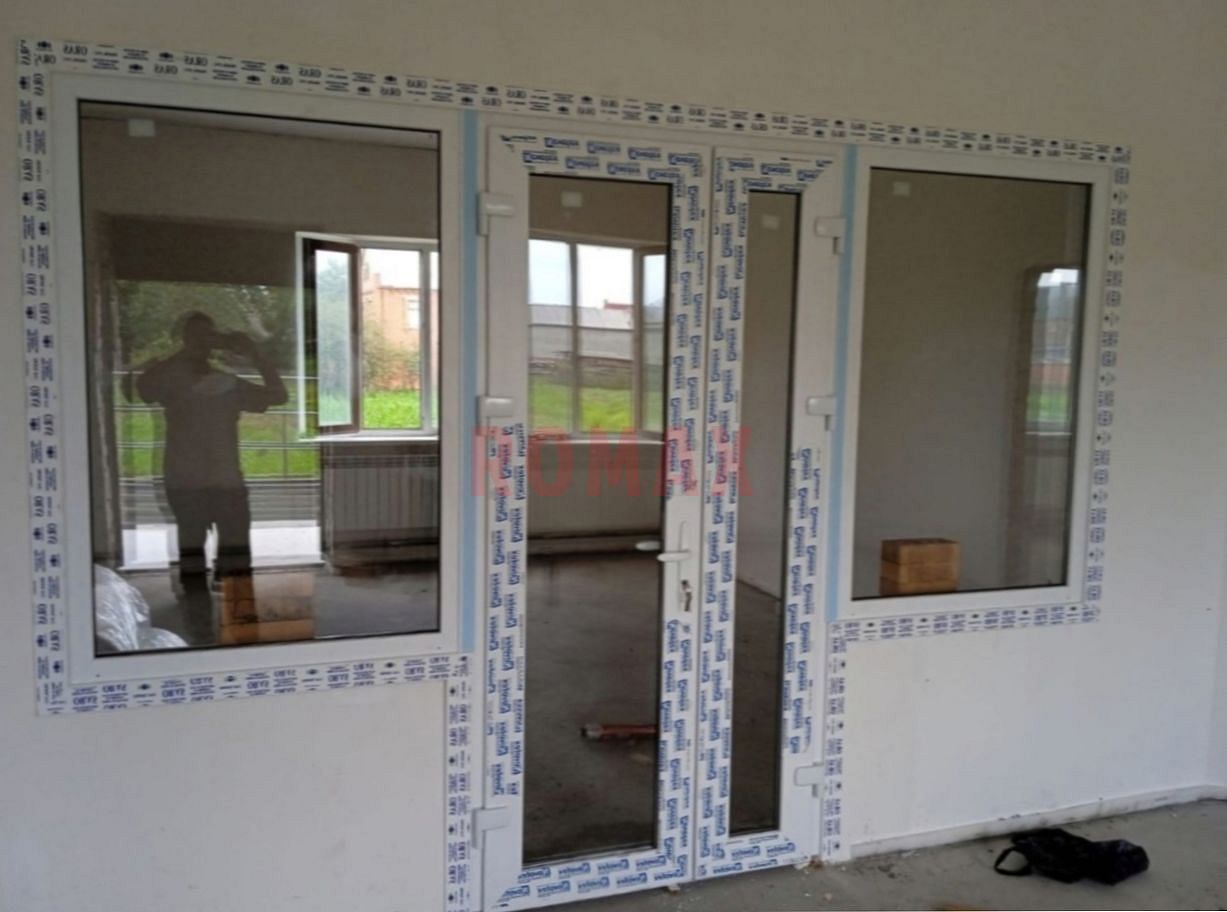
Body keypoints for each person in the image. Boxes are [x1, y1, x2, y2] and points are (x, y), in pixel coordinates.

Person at [137, 311, 287, 640]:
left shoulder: (223, 383)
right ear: (185, 340)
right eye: (198, 336)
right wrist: (252, 356)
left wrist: (255, 354)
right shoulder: (177, 378)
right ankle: (203, 631)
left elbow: (278, 396)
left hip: (212, 481)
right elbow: (141, 388)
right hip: (195, 481)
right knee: (196, 559)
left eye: (207, 336)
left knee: (230, 559)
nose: (203, 343)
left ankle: (227, 627)